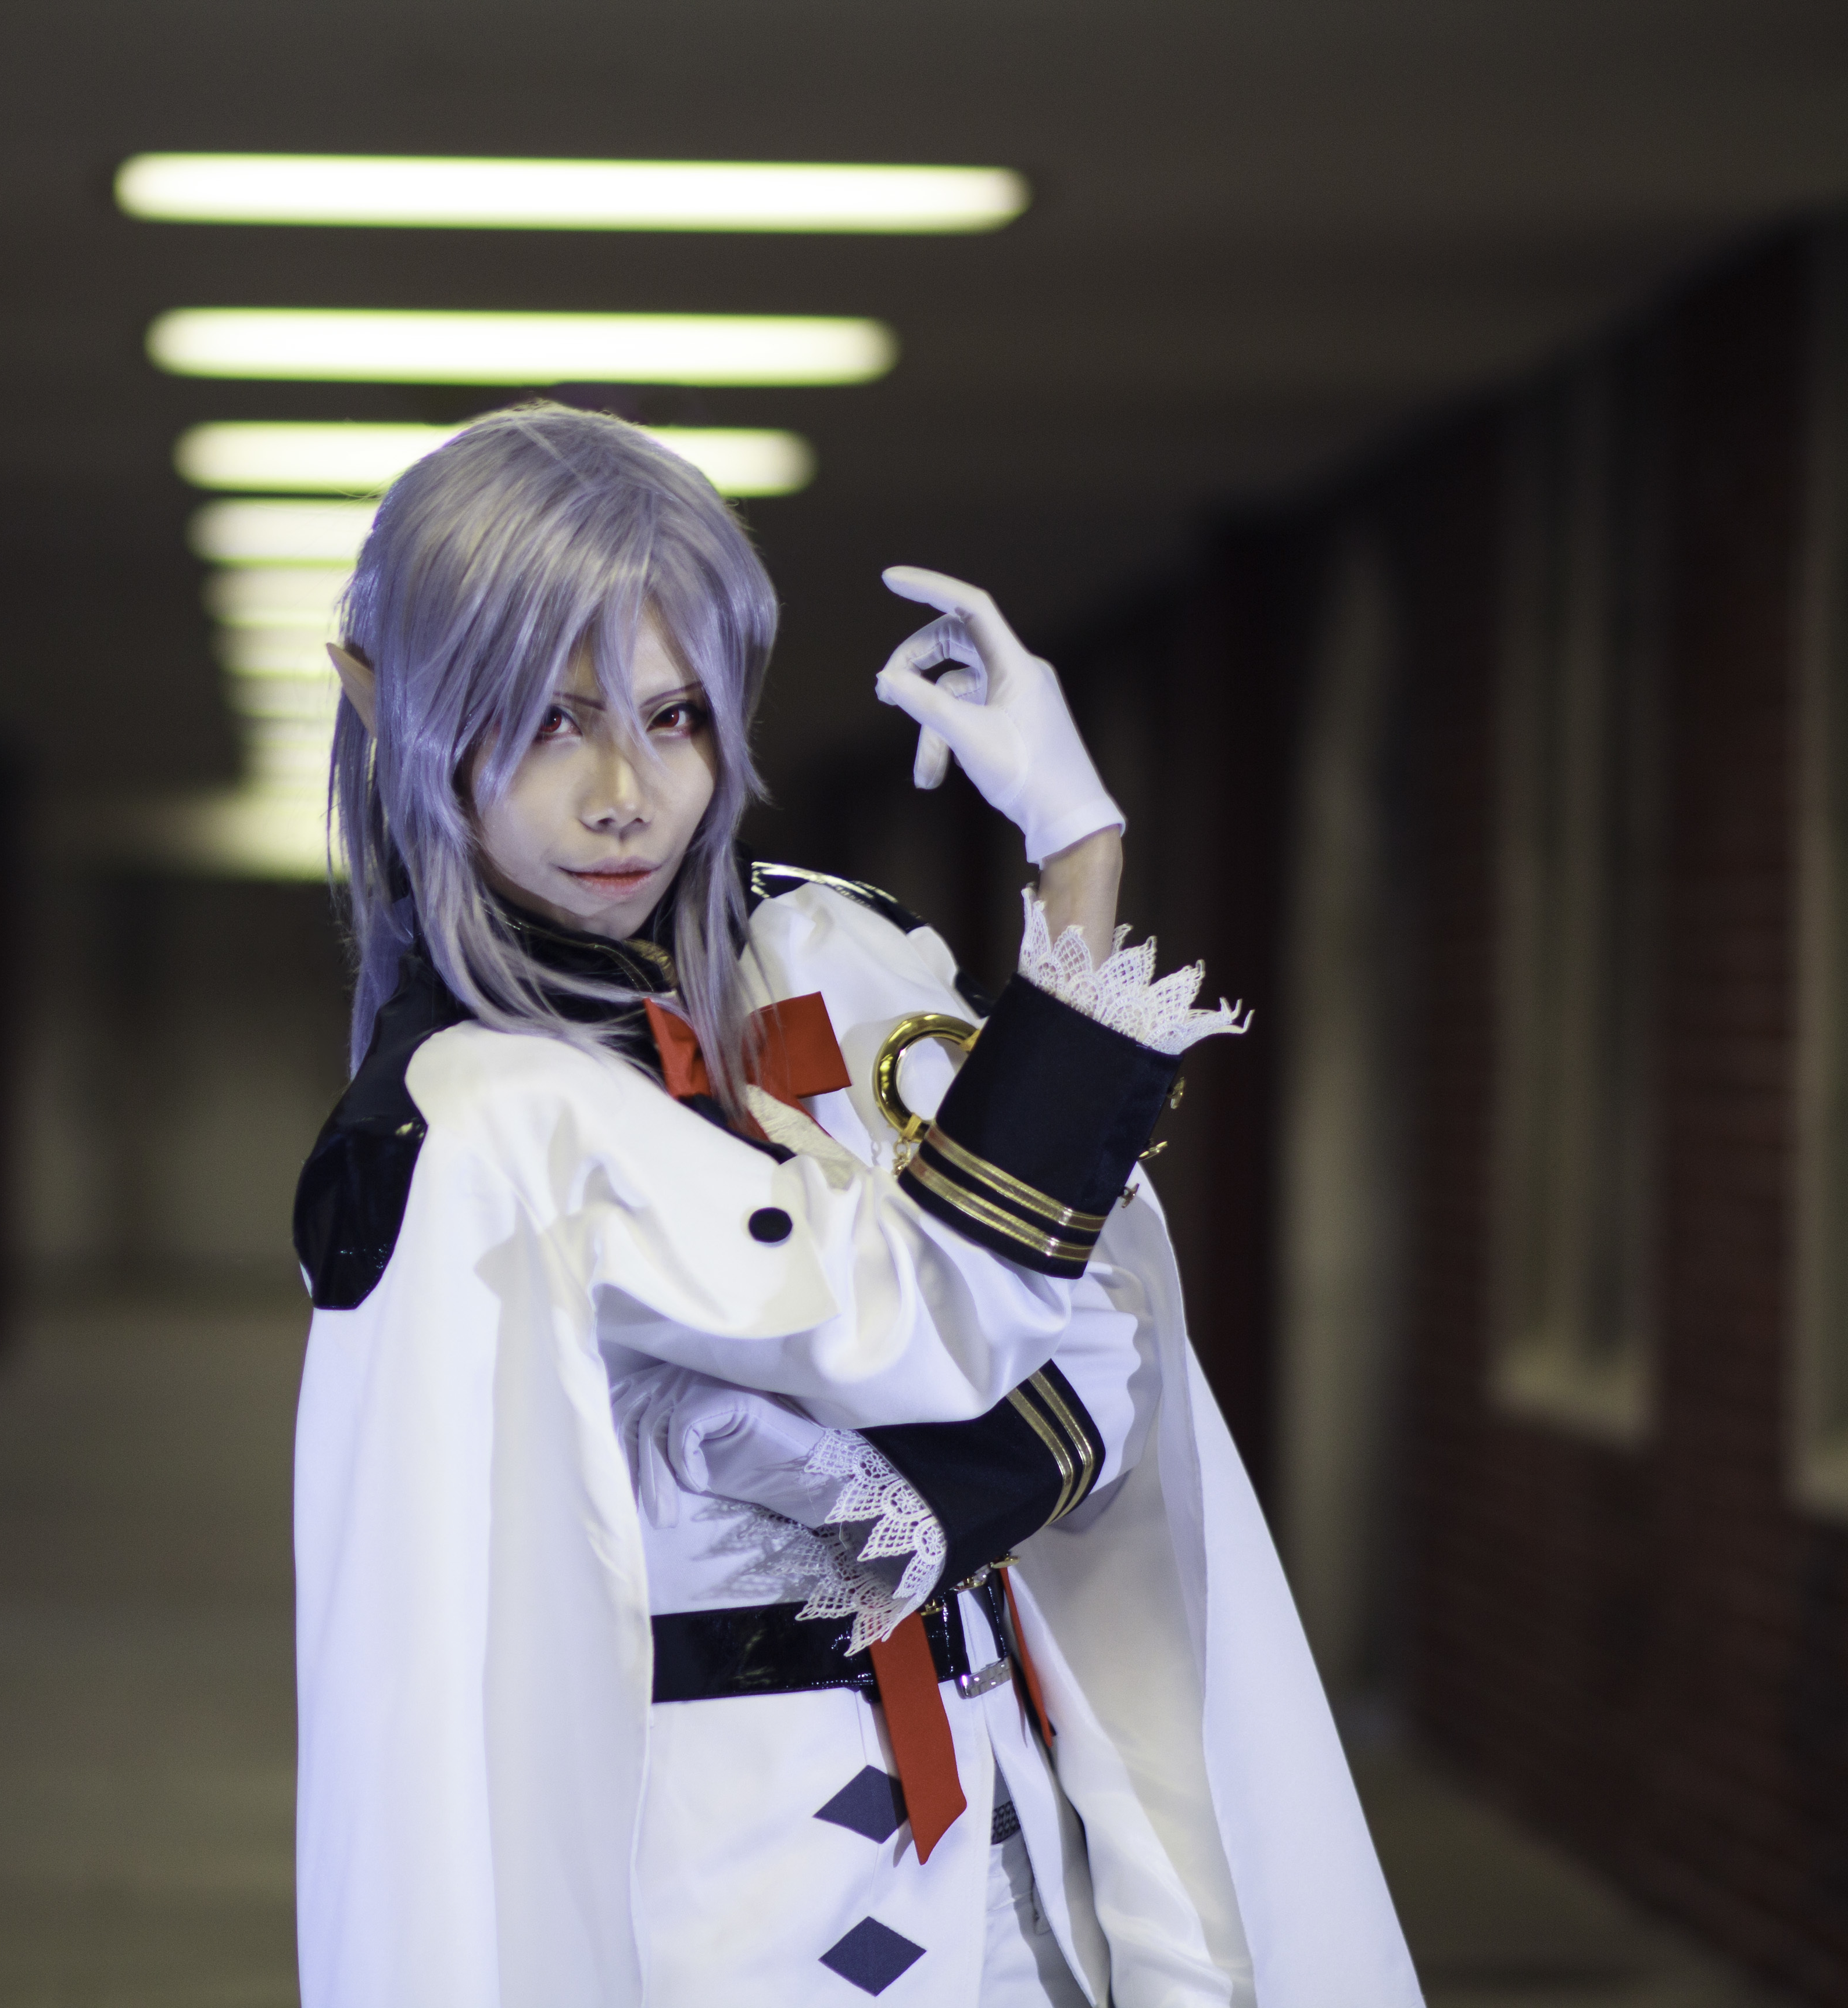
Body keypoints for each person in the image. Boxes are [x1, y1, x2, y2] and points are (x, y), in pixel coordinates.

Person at [288, 404, 1417, 2006]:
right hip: (731, 1899)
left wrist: (934, 1442)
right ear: (389, 704)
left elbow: (1094, 1311)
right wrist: (1077, 866)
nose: (625, 795)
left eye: (676, 717)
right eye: (547, 722)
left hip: (1024, 1838)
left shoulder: (831, 948)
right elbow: (939, 1317)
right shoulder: (471, 1121)